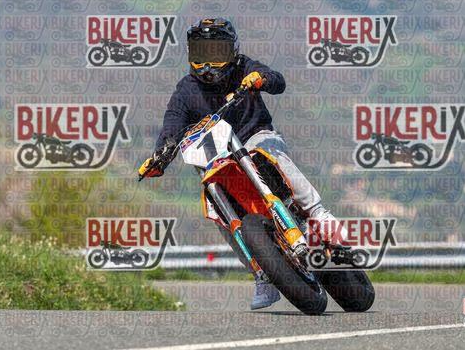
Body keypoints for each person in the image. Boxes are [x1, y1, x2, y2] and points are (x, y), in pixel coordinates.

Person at [139, 18, 341, 310]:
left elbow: (277, 80)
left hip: (254, 137)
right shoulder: (185, 90)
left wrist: (261, 79)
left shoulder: (244, 67)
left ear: (232, 51)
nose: (208, 63)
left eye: (216, 53)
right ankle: (261, 274)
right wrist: (159, 156)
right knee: (215, 204)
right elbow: (172, 124)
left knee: (268, 152)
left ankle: (318, 212)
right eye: (201, 53)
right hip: (219, 157)